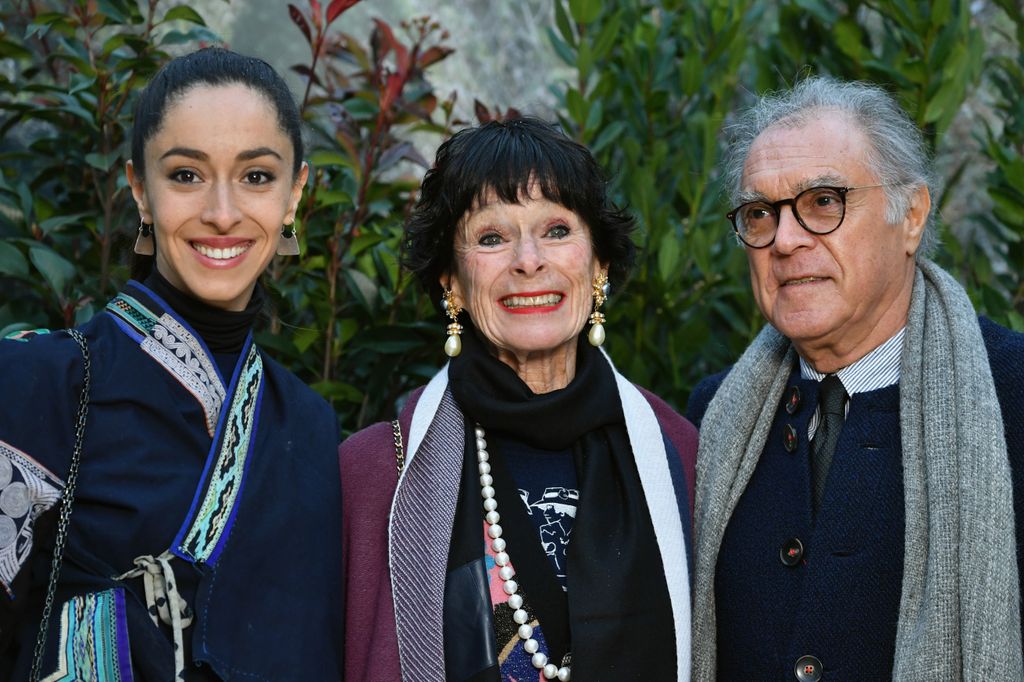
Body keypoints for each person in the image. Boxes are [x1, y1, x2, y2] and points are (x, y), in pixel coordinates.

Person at [0, 48, 344, 680]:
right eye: (186, 175)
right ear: (140, 190)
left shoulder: (314, 429)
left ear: (295, 195)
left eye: (257, 177)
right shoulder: (36, 385)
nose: (221, 212)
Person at [686, 76, 1024, 680]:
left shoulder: (1012, 393)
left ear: (912, 216)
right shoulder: (714, 420)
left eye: (823, 202)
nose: (785, 240)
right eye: (760, 213)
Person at [340, 117, 696, 681]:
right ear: (451, 282)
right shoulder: (373, 474)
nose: (528, 260)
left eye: (556, 230)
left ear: (599, 264)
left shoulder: (681, 452)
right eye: (491, 238)